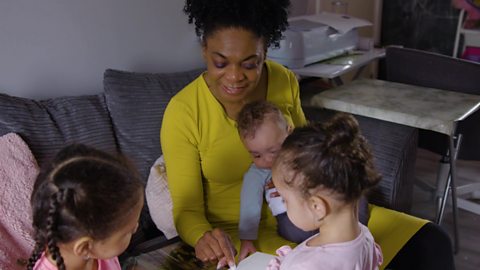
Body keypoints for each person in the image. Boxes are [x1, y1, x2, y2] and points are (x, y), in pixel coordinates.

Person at [161, 0, 306, 267]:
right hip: (235, 239)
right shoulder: (183, 112)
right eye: (220, 63)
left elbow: (310, 154)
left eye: (250, 64)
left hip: (302, 216)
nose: (234, 77)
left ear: (265, 52)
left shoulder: (283, 81)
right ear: (204, 50)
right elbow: (187, 209)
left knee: (401, 231)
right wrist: (203, 237)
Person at [267, 113, 383, 270]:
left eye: (285, 200)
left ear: (317, 207)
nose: (284, 206)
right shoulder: (365, 237)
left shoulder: (305, 266)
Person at [27, 144, 144, 270]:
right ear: (85, 247)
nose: (136, 227)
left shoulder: (99, 247)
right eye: (127, 233)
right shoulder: (99, 245)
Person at [236, 101, 316, 261]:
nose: (267, 160)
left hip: (320, 204)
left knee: (356, 200)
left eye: (273, 151)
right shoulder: (257, 174)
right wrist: (247, 239)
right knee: (304, 232)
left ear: (289, 132)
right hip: (290, 218)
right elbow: (249, 206)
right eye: (256, 155)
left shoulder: (303, 152)